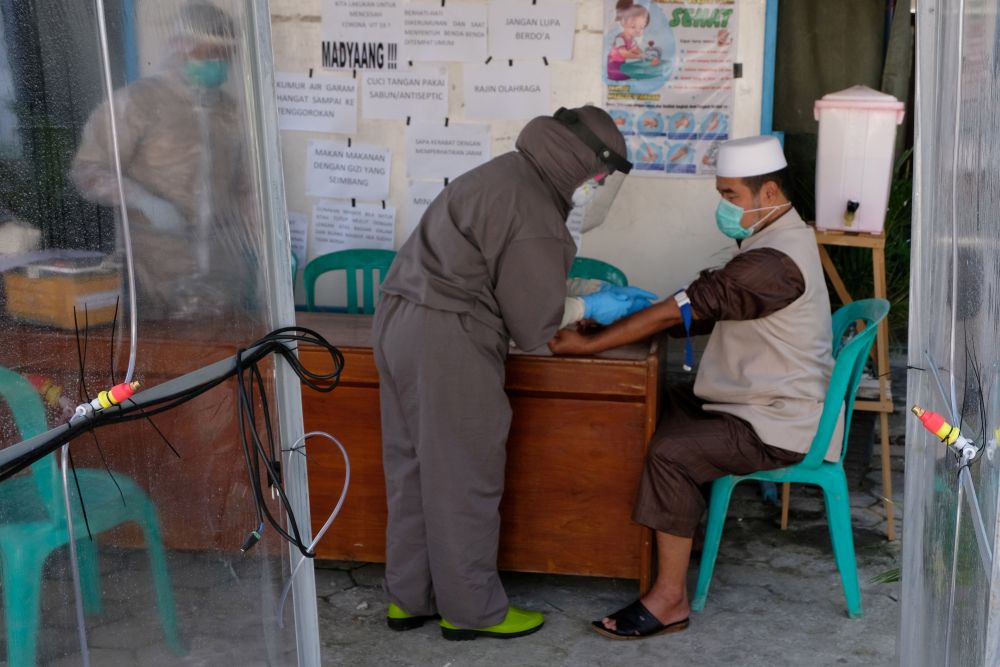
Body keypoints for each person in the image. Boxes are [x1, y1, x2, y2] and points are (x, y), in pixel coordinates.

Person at [373, 106, 654, 641]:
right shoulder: (536, 211)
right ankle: (471, 610)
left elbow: (497, 272)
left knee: (412, 468)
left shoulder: (505, 172)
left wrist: (583, 295)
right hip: (447, 338)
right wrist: (592, 308)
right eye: (601, 177)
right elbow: (533, 327)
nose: (598, 188)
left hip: (398, 320)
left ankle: (410, 598)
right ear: (584, 166)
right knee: (463, 476)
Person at [550, 135, 841, 640]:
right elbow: (704, 307)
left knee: (671, 452)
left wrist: (595, 343)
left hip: (778, 421)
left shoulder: (774, 260)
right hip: (757, 400)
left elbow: (693, 304)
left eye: (730, 197)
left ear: (768, 193)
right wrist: (626, 322)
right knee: (656, 403)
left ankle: (669, 600)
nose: (723, 208)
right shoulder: (774, 242)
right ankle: (649, 532)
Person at [71, 1, 254, 320]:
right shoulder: (138, 103)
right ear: (179, 47)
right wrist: (144, 201)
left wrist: (259, 243)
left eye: (224, 55)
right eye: (206, 52)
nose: (216, 62)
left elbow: (245, 188)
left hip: (223, 274)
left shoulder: (230, 112)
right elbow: (88, 171)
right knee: (166, 363)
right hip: (153, 270)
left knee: (224, 359)